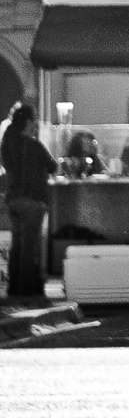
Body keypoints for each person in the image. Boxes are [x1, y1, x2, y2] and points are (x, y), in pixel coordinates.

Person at [0, 101, 56, 298]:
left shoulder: (8, 143)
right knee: (30, 248)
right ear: (29, 122)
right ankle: (28, 292)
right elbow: (53, 166)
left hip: (13, 199)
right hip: (32, 201)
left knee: (18, 245)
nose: (37, 124)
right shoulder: (34, 145)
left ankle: (15, 289)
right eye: (35, 120)